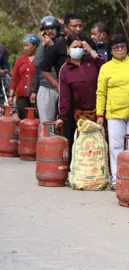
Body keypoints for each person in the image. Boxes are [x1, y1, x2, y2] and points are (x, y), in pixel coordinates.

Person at [38, 12, 97, 169]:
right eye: (74, 26)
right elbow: (43, 67)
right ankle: (70, 168)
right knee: (69, 134)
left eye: (80, 25)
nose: (77, 29)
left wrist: (90, 50)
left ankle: (90, 168)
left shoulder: (88, 43)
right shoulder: (58, 46)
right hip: (67, 98)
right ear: (66, 27)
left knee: (91, 139)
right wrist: (57, 84)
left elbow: (99, 65)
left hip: (89, 102)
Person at [96, 34, 129, 190]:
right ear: (111, 51)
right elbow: (101, 93)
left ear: (127, 47)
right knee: (116, 148)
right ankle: (117, 180)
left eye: (122, 46)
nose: (120, 49)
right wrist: (100, 115)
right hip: (115, 115)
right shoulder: (105, 68)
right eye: (116, 47)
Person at [55, 34, 105, 130]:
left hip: (100, 113)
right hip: (80, 115)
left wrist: (91, 51)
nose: (78, 49)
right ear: (67, 49)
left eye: (80, 47)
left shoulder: (93, 62)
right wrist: (62, 117)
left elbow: (106, 68)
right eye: (75, 47)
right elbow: (64, 97)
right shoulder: (65, 70)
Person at [32, 16, 61, 133]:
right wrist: (43, 45)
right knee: (46, 122)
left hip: (61, 87)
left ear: (57, 29)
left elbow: (61, 61)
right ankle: (46, 147)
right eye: (47, 29)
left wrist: (52, 45)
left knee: (61, 122)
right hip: (45, 87)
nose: (50, 31)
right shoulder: (42, 46)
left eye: (52, 28)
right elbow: (37, 64)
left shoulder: (62, 43)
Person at [8, 34, 40, 119]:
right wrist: (11, 96)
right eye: (24, 45)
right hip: (21, 97)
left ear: (35, 46)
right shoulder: (20, 60)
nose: (25, 48)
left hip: (36, 96)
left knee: (35, 120)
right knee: (23, 121)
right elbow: (14, 79)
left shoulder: (40, 59)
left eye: (27, 45)